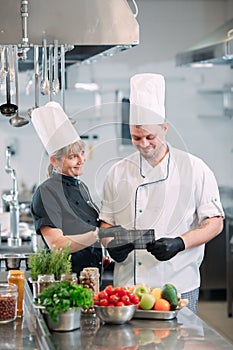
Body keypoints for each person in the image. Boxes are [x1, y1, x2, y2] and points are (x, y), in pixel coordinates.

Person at [99, 73, 224, 313]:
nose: (143, 143)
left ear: (165, 128)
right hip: (128, 289)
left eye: (150, 137)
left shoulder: (195, 168)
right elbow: (106, 223)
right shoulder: (117, 172)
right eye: (136, 137)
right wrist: (111, 244)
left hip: (177, 286)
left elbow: (215, 223)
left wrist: (180, 243)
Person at [30, 101, 120, 279]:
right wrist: (98, 234)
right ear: (55, 161)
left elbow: (80, 229)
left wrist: (96, 256)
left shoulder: (80, 186)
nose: (81, 160)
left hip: (89, 277)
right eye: (73, 156)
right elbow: (57, 245)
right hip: (65, 281)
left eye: (82, 153)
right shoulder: (46, 193)